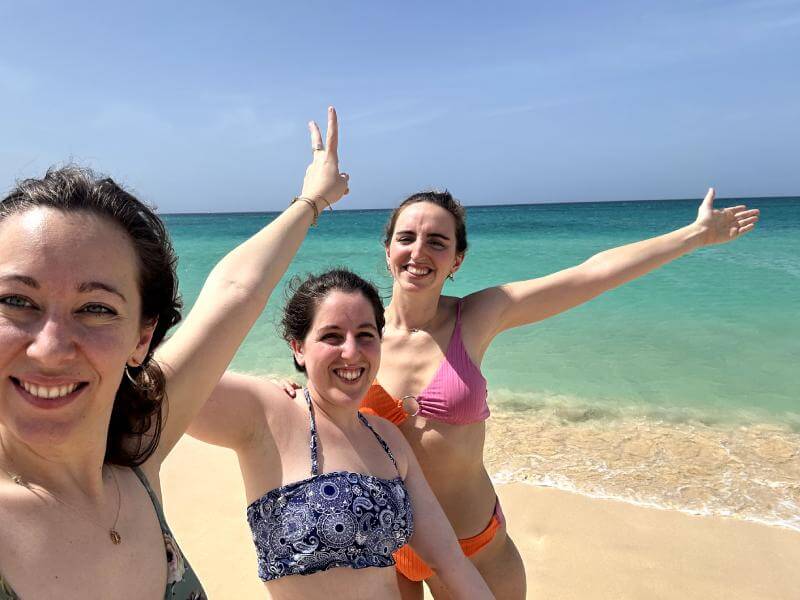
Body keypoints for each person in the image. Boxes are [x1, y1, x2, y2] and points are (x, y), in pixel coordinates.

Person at [0, 107, 348, 599]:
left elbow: (235, 293)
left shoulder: (136, 452)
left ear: (143, 339)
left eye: (96, 308)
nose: (51, 348)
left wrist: (313, 198)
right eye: (16, 301)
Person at [357, 188, 760, 599]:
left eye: (437, 241)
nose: (419, 251)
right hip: (390, 546)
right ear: (388, 249)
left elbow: (591, 273)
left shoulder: (478, 315)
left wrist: (694, 236)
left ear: (457, 259)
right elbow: (315, 389)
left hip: (473, 547)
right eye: (406, 238)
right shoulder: (358, 333)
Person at [188, 269, 495, 599]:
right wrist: (302, 217)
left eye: (365, 335)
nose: (351, 352)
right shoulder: (268, 412)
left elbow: (450, 562)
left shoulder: (387, 439)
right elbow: (161, 380)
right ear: (298, 348)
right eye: (332, 336)